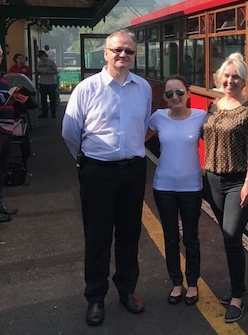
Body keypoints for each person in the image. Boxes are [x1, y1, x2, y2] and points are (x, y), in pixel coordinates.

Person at [61, 30, 152, 327]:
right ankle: (96, 298)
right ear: (105, 53)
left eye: (128, 51)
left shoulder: (144, 88)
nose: (122, 55)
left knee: (129, 235)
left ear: (134, 55)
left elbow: (142, 127)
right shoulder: (86, 89)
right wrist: (86, 160)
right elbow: (70, 132)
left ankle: (126, 291)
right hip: (97, 171)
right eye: (117, 50)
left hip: (134, 171)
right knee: (98, 237)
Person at [202, 53, 248, 323]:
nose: (230, 80)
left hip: (239, 182)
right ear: (219, 78)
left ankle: (237, 295)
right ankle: (237, 285)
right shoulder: (213, 107)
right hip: (212, 180)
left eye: (236, 76)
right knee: (228, 237)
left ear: (244, 80)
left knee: (231, 237)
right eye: (226, 76)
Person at [146, 76, 207, 306]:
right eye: (169, 94)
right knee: (171, 238)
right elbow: (140, 137)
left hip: (192, 187)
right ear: (164, 98)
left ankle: (192, 283)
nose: (175, 97)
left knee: (191, 237)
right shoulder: (158, 117)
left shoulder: (201, 116)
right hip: (164, 187)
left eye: (179, 92)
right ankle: (175, 282)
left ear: (188, 93)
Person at [0, 45, 29, 223]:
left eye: (1, 55)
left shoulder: (2, 77)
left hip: (6, 128)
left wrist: (16, 97)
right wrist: (8, 95)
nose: (0, 58)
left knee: (2, 170)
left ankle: (0, 205)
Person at [35, 49, 58, 118]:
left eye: (42, 56)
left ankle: (53, 113)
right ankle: (44, 113)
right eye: (39, 57)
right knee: (43, 99)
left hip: (51, 83)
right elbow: (37, 71)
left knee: (52, 99)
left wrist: (48, 72)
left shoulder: (50, 62)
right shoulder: (39, 63)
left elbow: (55, 71)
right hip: (42, 82)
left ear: (45, 55)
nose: (41, 58)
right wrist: (38, 73)